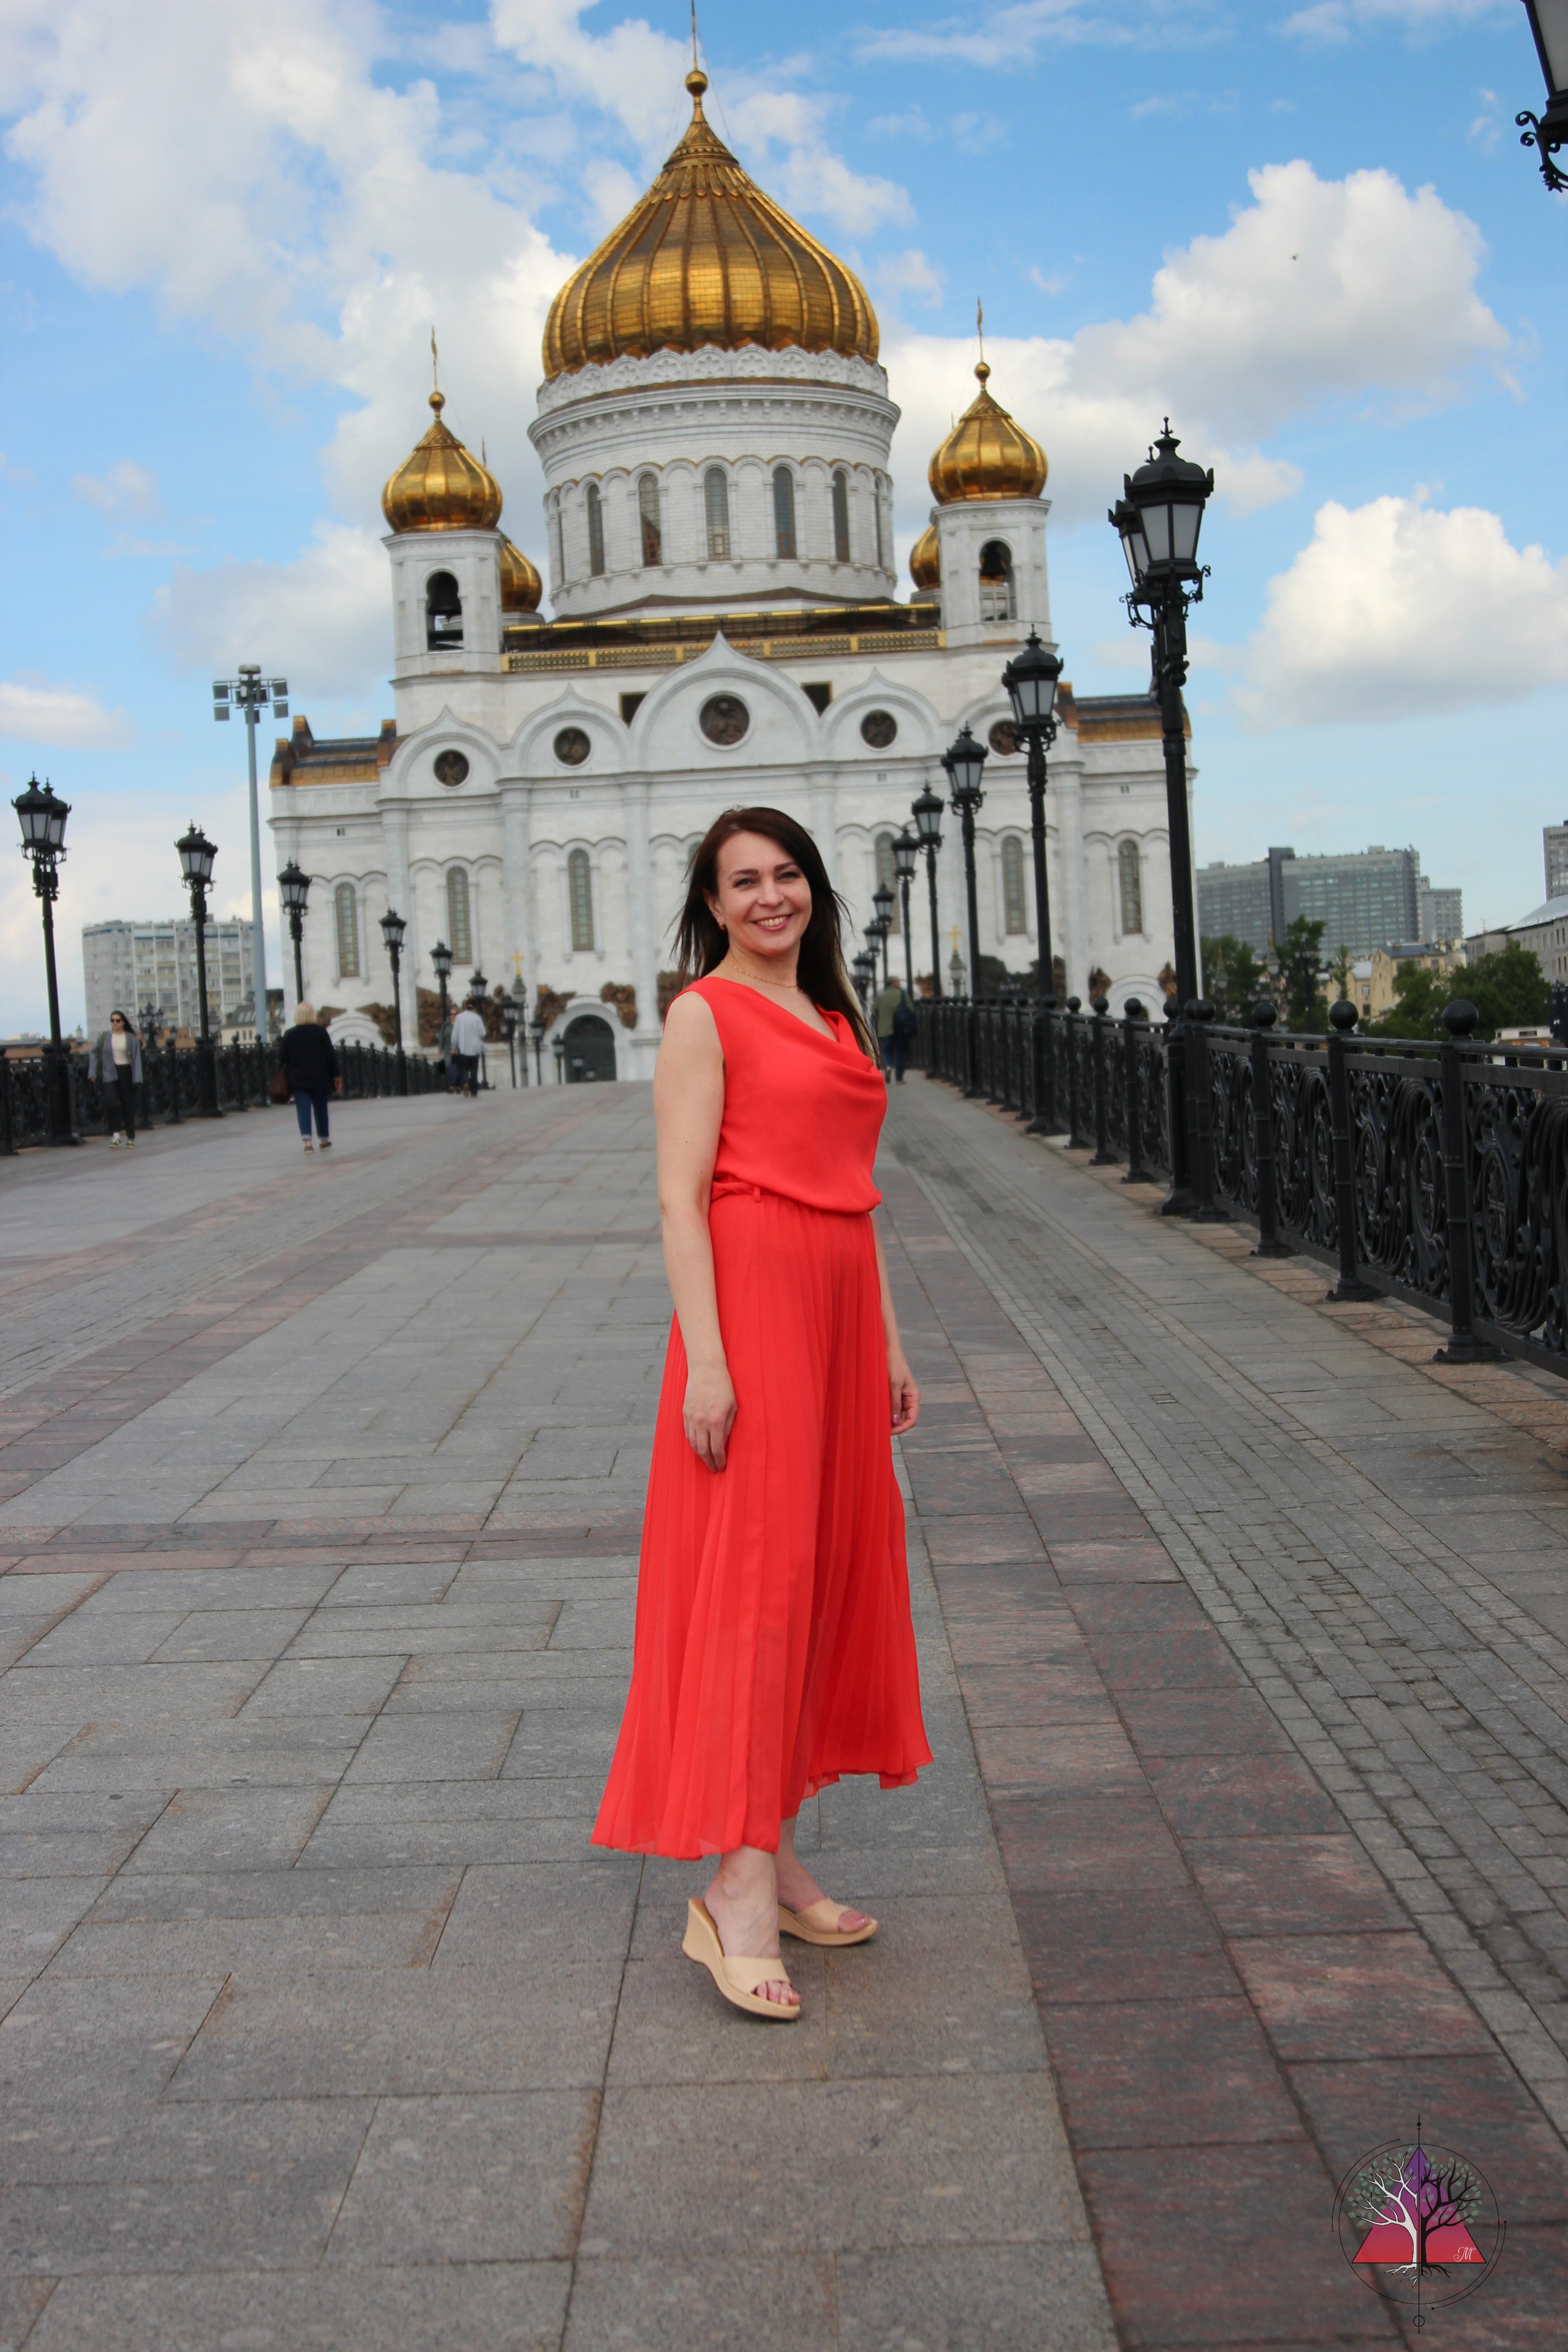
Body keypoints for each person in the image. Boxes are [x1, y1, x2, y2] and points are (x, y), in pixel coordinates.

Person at [593, 806, 931, 2021]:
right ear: (712, 901)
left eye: (787, 875)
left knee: (817, 1576)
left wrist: (887, 1340)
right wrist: (708, 1361)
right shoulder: (705, 1014)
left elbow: (855, 1193)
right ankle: (732, 1889)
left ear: (814, 889)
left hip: (838, 1309)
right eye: (743, 881)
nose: (769, 896)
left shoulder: (837, 1015)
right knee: (756, 1584)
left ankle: (774, 1854)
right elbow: (680, 1199)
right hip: (755, 1304)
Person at [281, 1003, 341, 1152]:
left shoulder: (290, 1034)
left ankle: (308, 1143)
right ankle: (324, 1139)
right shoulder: (321, 1033)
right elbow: (331, 1056)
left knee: (303, 1109)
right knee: (321, 1108)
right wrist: (337, 1076)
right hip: (320, 1078)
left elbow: (282, 1057)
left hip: (298, 1079)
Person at [88, 1009, 142, 1148]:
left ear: (123, 1022)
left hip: (126, 1073)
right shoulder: (104, 1037)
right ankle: (116, 1136)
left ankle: (131, 1137)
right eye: (112, 1021)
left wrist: (138, 1078)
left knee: (127, 1106)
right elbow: (94, 1053)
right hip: (109, 1074)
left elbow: (137, 1060)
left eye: (118, 1020)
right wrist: (92, 1073)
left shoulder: (131, 1039)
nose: (115, 1023)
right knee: (113, 1104)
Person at [450, 999, 486, 1097]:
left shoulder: (459, 1018)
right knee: (474, 1070)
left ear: (465, 1006)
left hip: (463, 1048)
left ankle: (466, 1083)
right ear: (475, 1007)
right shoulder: (477, 1018)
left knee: (465, 1069)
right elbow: (483, 1033)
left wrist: (454, 1046)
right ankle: (474, 1092)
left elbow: (455, 1035)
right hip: (475, 1049)